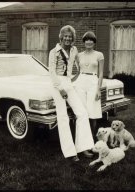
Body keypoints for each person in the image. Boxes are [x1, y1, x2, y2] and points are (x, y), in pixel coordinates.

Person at [49, 25, 94, 161]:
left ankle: (83, 147)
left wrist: (75, 77)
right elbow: (51, 71)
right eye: (66, 36)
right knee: (63, 117)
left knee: (82, 113)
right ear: (61, 37)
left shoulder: (74, 50)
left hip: (68, 83)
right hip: (57, 85)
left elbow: (78, 65)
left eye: (70, 36)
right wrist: (60, 88)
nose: (68, 38)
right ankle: (70, 152)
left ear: (72, 38)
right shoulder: (54, 51)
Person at [73, 31, 104, 142]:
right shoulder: (79, 55)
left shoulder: (99, 55)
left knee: (92, 112)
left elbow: (100, 74)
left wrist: (98, 89)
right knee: (82, 112)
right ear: (84, 42)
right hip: (81, 82)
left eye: (91, 40)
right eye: (87, 40)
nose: (89, 42)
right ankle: (82, 140)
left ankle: (91, 140)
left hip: (93, 82)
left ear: (94, 42)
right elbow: (78, 71)